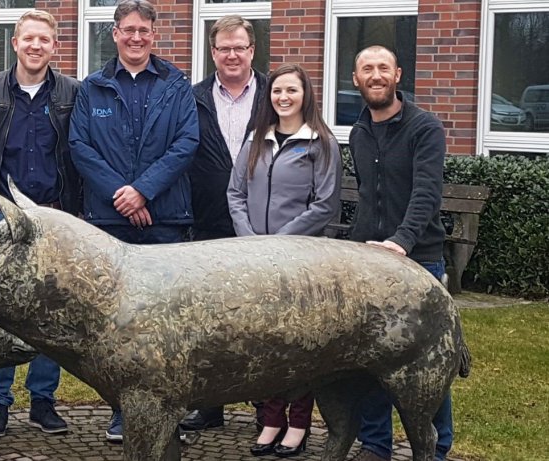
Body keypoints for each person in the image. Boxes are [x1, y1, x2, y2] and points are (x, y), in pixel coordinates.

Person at [68, 0, 199, 443]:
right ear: (115, 33)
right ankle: (123, 412)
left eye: (144, 29)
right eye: (128, 30)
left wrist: (143, 190)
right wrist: (122, 196)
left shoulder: (176, 83)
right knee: (116, 328)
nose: (137, 37)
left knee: (170, 323)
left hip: (165, 219)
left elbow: (186, 143)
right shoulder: (94, 87)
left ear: (153, 34)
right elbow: (81, 147)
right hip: (108, 222)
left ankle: (169, 414)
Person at [0, 9, 81, 438]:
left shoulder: (73, 93)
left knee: (48, 313)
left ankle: (43, 401)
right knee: (0, 310)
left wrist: (77, 213)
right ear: (14, 43)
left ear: (55, 46)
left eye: (45, 40)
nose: (36, 46)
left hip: (54, 215)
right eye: (28, 39)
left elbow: (79, 155)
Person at [227, 63, 342, 458]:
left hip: (299, 261)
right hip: (255, 259)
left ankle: (298, 424)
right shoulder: (257, 138)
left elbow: (325, 204)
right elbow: (235, 193)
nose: (283, 98)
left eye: (291, 90)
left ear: (305, 95)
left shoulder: (321, 143)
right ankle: (271, 419)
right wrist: (250, 239)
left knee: (299, 345)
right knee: (263, 344)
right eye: (277, 91)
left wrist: (280, 241)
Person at [346, 45, 453, 461]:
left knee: (426, 364)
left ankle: (437, 446)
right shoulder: (357, 132)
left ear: (398, 75)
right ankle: (376, 445)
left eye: (383, 68)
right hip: (370, 262)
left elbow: (427, 193)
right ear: (356, 79)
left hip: (417, 259)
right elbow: (369, 200)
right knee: (369, 359)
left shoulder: (424, 127)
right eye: (367, 69)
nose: (376, 75)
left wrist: (402, 241)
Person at [179, 14, 269, 433]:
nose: (232, 54)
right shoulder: (192, 97)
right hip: (208, 223)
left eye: (240, 47)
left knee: (266, 322)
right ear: (212, 52)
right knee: (210, 323)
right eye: (224, 48)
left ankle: (267, 411)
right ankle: (210, 406)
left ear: (252, 50)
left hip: (265, 225)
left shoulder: (277, 94)